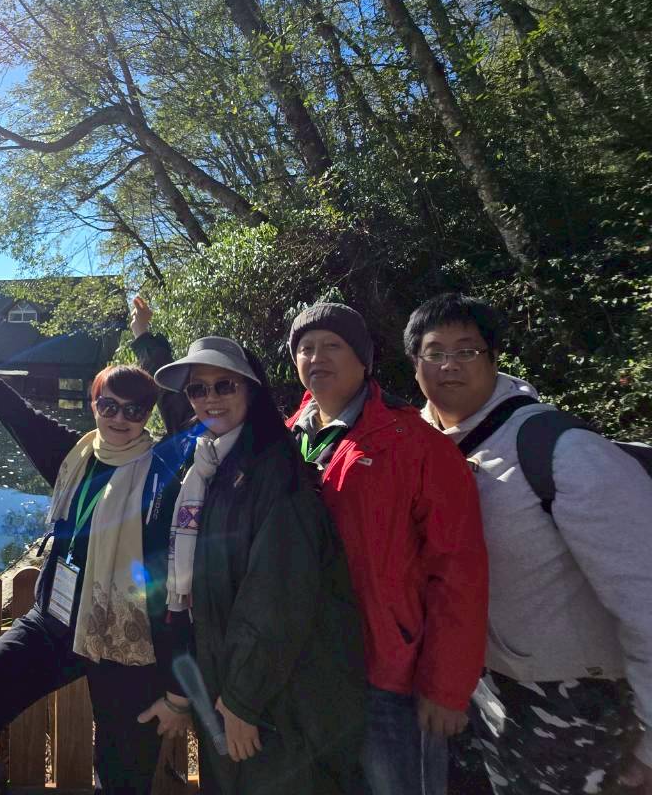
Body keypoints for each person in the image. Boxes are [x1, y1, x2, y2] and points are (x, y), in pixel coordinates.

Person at [0, 332, 201, 795]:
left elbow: (178, 585)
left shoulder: (164, 474)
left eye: (134, 410)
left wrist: (178, 690)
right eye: (109, 406)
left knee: (123, 774)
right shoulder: (75, 457)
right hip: (56, 623)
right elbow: (24, 420)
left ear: (147, 414)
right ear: (94, 405)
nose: (120, 418)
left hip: (127, 640)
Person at [406, 292, 652, 795]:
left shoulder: (561, 450)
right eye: (434, 352)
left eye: (467, 350)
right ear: (415, 365)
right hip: (485, 695)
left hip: (583, 703)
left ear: (494, 357)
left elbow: (643, 594)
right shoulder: (416, 450)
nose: (449, 365)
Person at [150, 334, 367, 794]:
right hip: (222, 673)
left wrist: (242, 700)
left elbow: (277, 597)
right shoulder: (207, 463)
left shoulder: (276, 472)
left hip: (276, 697)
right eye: (198, 388)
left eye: (224, 385)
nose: (210, 398)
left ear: (251, 390)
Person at [286, 302, 488, 795]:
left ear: (364, 359)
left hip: (391, 675)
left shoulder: (415, 443)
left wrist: (446, 686)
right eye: (306, 348)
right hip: (313, 666)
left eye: (333, 345)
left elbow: (458, 569)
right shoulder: (289, 438)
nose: (317, 357)